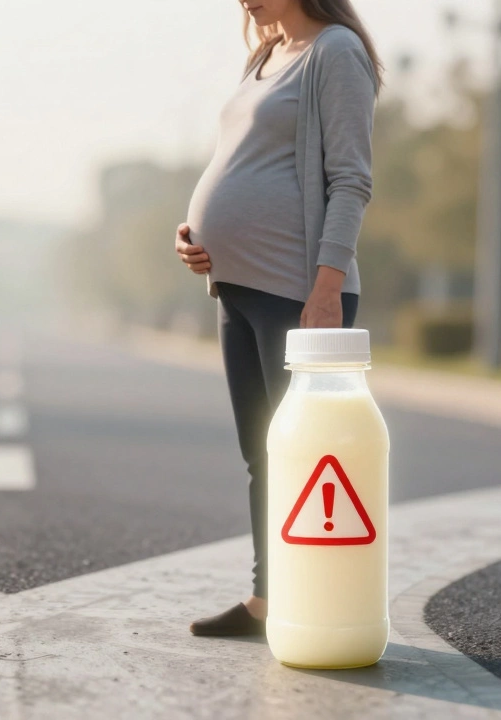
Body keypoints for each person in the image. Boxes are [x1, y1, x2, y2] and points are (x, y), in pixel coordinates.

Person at [176, 0, 382, 636]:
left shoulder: (336, 51)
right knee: (262, 454)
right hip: (237, 289)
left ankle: (320, 603)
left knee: (308, 459)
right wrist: (195, 236)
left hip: (297, 293)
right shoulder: (265, 54)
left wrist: (326, 289)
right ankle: (267, 601)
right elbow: (242, 160)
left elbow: (351, 180)